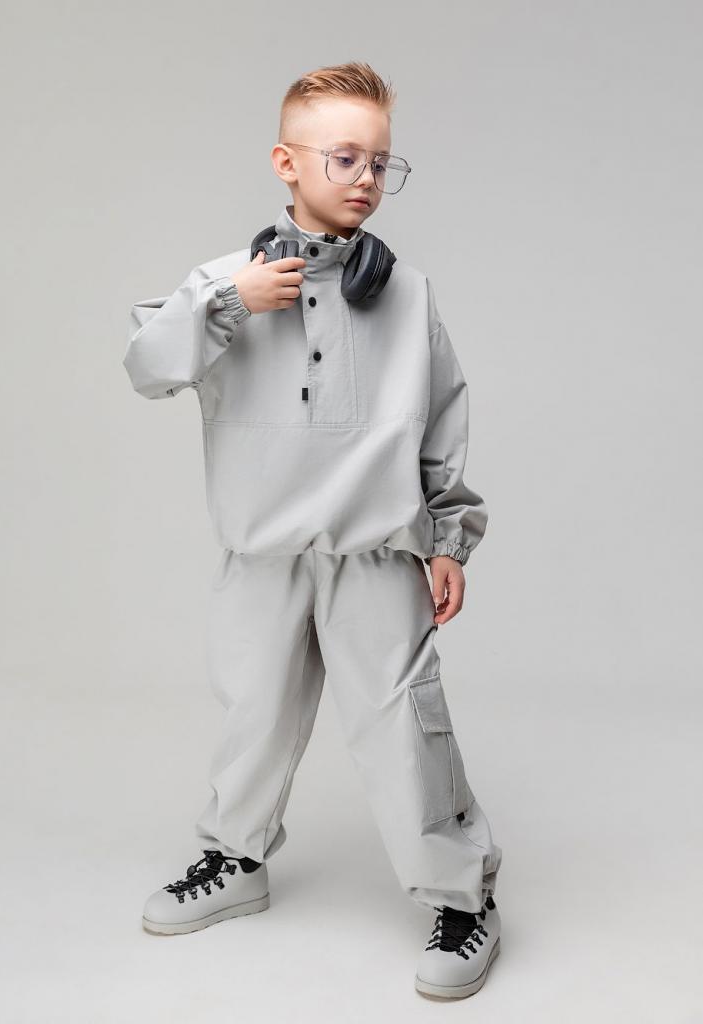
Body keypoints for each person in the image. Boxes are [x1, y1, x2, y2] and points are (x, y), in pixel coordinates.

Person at [122, 60, 503, 1000]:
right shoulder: (222, 284)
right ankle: (235, 861)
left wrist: (447, 540)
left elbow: (442, 417)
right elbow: (146, 367)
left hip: (374, 552)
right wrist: (227, 304)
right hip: (261, 553)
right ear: (285, 163)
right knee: (253, 718)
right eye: (344, 157)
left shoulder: (406, 293)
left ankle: (463, 898)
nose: (365, 177)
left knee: (402, 730)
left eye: (380, 162)